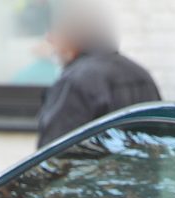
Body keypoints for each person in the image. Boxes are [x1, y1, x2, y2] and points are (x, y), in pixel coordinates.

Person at [35, 1, 158, 147]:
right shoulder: (140, 74)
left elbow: (55, 154)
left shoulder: (75, 82)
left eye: (57, 31)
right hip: (140, 169)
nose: (50, 38)